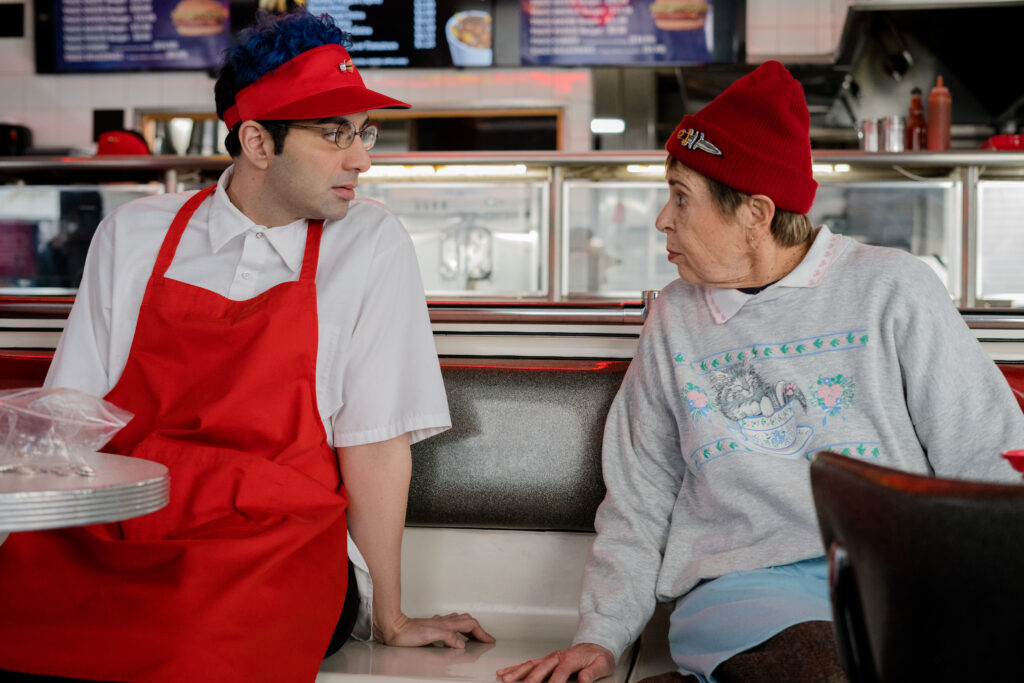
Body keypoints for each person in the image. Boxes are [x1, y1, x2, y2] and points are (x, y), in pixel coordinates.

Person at [0, 9, 491, 682]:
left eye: (362, 131)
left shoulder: (369, 242)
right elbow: (71, 414)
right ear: (258, 143)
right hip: (137, 524)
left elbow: (374, 442)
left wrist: (391, 613)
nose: (363, 157)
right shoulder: (135, 233)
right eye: (334, 134)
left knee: (186, 643)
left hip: (279, 542)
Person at [498, 60, 1024, 683]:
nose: (663, 220)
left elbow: (987, 455)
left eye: (681, 198)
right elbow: (639, 499)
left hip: (893, 583)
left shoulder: (893, 288)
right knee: (823, 666)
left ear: (755, 214)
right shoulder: (674, 318)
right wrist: (602, 636)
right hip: (744, 595)